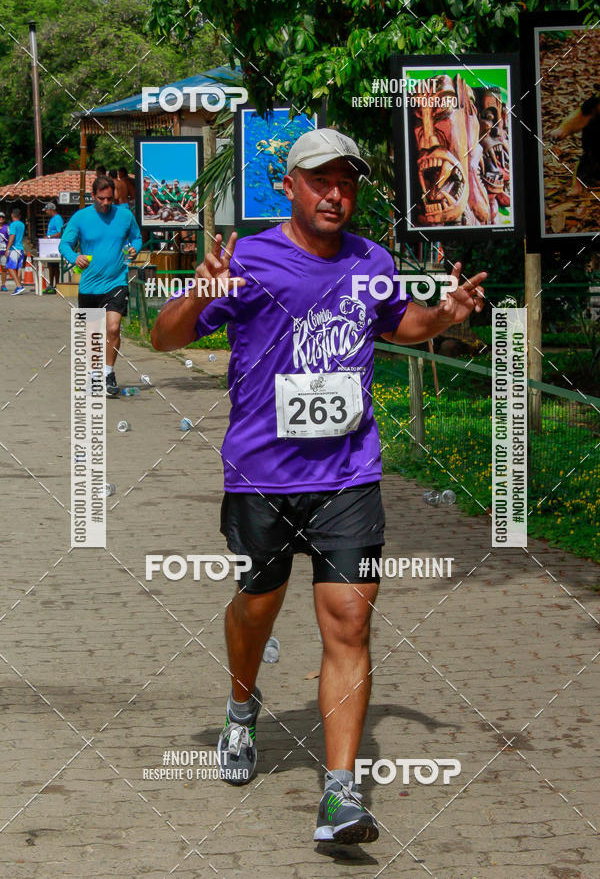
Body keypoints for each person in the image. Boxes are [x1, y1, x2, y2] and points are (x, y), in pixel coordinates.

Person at [151, 128, 486, 845]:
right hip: (261, 477)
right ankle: (242, 710)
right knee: (257, 609)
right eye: (321, 180)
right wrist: (196, 294)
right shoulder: (247, 257)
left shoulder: (372, 260)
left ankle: (340, 797)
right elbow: (164, 338)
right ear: (292, 187)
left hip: (349, 476)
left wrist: (446, 316)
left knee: (349, 622)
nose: (336, 194)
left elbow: (404, 323)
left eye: (347, 181)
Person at [59, 175, 142, 395]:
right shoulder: (80, 218)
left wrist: (134, 249)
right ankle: (93, 375)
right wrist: (74, 257)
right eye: (101, 199)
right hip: (89, 286)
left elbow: (137, 238)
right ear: (93, 196)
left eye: (109, 198)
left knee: (113, 328)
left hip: (117, 282)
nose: (106, 203)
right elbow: (64, 244)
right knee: (92, 334)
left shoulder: (124, 215)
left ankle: (108, 373)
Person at [5, 207, 27, 295]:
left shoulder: (13, 224)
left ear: (12, 215)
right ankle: (19, 286)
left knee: (10, 267)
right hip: (21, 248)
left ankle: (19, 286)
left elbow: (12, 236)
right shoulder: (22, 224)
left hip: (14, 248)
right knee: (18, 268)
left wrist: (7, 248)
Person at [43, 201, 64, 293]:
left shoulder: (57, 218)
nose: (46, 212)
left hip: (55, 244)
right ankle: (51, 284)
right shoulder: (52, 219)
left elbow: (60, 232)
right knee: (50, 265)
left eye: (46, 210)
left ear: (51, 210)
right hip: (50, 244)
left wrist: (49, 237)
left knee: (55, 265)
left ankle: (57, 285)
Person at [0, 212, 9, 291]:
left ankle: (3, 284)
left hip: (4, 251)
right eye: (0, 217)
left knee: (4, 268)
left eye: (2, 217)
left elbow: (11, 238)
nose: (1, 218)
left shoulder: (7, 228)